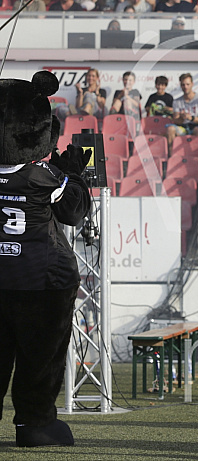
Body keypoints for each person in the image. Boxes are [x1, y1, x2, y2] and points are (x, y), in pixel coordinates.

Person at [0, 71, 91, 447]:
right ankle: (33, 423)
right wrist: (73, 174)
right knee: (41, 359)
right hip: (41, 283)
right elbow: (74, 212)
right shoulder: (43, 178)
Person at [166, 73, 198, 151]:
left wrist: (191, 118)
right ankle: (171, 157)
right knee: (170, 129)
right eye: (183, 85)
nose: (185, 87)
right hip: (183, 127)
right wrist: (182, 118)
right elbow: (176, 120)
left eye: (187, 84)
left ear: (192, 84)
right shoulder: (176, 101)